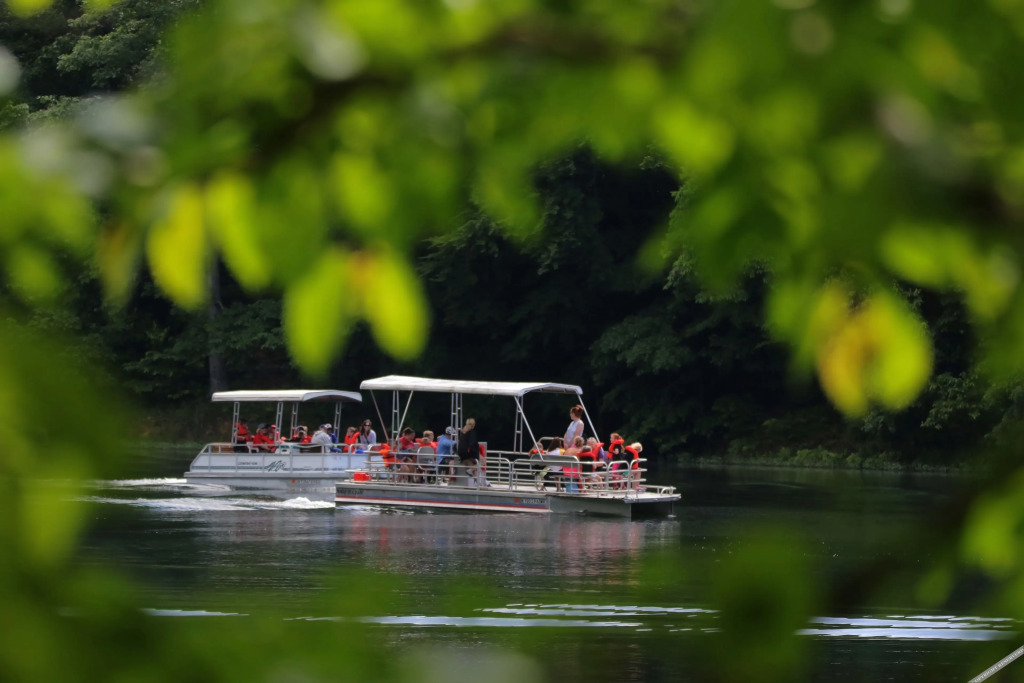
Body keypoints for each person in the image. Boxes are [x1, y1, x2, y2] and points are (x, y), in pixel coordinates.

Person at [457, 417, 489, 487]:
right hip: (469, 454)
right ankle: (470, 470)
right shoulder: (471, 432)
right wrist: (477, 455)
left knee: (474, 467)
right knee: (483, 461)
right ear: (473, 424)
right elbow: (473, 444)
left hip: (462, 455)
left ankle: (478, 483)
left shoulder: (463, 432)